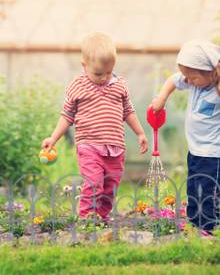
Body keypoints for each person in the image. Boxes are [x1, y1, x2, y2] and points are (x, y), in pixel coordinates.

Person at [42, 32, 148, 222]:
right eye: (98, 73)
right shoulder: (78, 86)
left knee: (111, 185)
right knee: (94, 182)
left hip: (115, 147)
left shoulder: (119, 85)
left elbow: (128, 111)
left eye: (108, 72)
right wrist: (53, 138)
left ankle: (101, 216)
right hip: (89, 145)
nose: (104, 78)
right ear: (84, 65)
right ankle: (86, 216)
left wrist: (140, 132)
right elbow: (67, 115)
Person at [152, 40, 220, 231]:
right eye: (186, 77)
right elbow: (173, 80)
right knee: (194, 186)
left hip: (213, 153)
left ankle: (207, 227)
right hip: (196, 149)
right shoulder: (193, 81)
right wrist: (161, 98)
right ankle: (194, 222)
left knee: (208, 189)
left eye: (192, 77)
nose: (188, 81)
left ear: (211, 72)